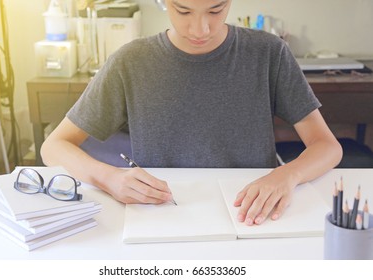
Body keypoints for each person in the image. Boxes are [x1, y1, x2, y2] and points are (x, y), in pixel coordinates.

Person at [41, 0, 342, 226]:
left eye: (216, 9)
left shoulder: (267, 53)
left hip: (251, 217)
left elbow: (327, 146)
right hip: (162, 218)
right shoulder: (130, 62)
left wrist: (287, 175)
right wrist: (109, 178)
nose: (201, 29)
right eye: (184, 11)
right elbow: (54, 147)